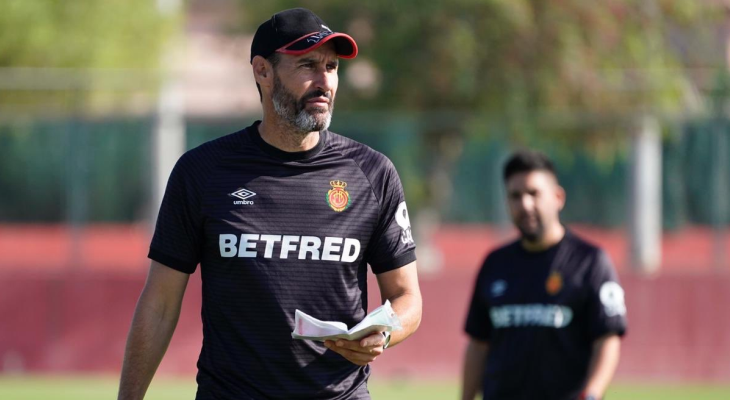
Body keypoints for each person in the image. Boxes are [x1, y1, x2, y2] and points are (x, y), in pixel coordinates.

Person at [117, 8, 422, 400]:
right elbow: (159, 305)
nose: (324, 81)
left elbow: (407, 298)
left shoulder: (373, 172)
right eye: (308, 65)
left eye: (331, 67)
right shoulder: (202, 172)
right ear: (263, 71)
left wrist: (385, 332)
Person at [461, 150, 627, 400]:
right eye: (515, 196)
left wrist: (591, 394)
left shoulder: (590, 262)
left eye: (534, 194)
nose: (525, 205)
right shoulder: (494, 263)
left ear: (558, 197)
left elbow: (608, 338)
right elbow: (478, 343)